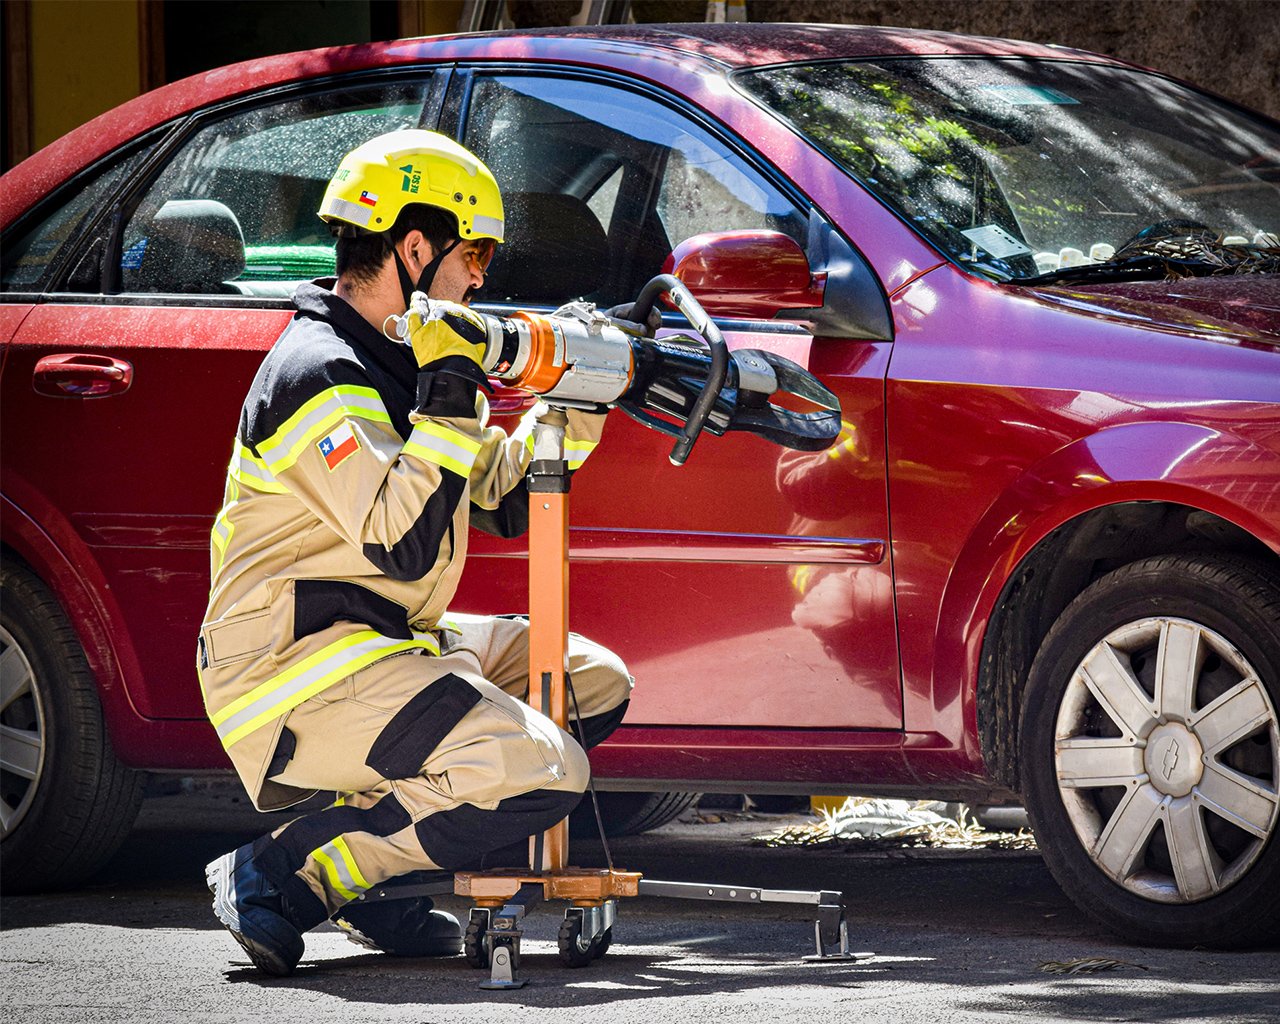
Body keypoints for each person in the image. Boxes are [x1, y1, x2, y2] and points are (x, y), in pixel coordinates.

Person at [198, 129, 633, 976]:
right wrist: (453, 390)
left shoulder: (398, 364)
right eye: (473, 253)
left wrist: (576, 401)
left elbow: (500, 498)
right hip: (290, 668)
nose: (482, 277)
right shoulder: (317, 373)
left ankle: (381, 888)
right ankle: (293, 871)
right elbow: (403, 541)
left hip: (382, 636)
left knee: (589, 685)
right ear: (414, 246)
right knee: (537, 764)